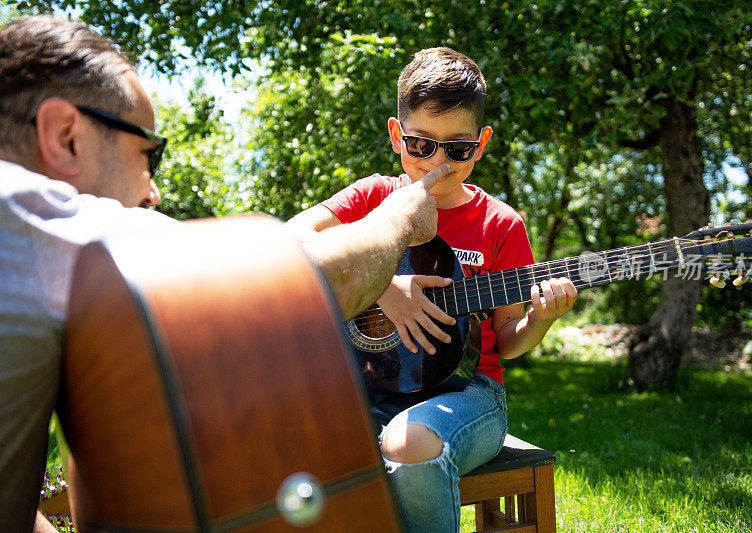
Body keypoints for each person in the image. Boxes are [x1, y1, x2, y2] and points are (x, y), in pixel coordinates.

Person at [0, 16, 445, 532]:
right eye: (149, 153)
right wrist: (399, 218)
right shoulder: (21, 209)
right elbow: (288, 284)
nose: (153, 193)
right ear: (65, 136)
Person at [287, 47, 578, 531]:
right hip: (367, 385)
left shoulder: (500, 224)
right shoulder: (374, 197)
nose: (438, 161)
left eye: (457, 148)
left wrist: (541, 319)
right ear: (397, 136)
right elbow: (292, 238)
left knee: (407, 442)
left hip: (471, 393)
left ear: (481, 143)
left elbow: (507, 341)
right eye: (422, 144)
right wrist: (380, 284)